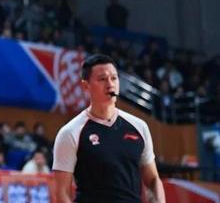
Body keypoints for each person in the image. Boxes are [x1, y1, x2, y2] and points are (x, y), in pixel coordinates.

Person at [53, 54, 165, 203]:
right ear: (86, 86)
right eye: (102, 79)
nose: (110, 84)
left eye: (114, 78)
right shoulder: (70, 133)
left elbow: (152, 180)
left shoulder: (139, 126)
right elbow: (61, 193)